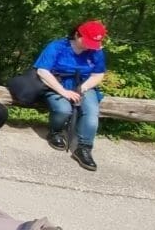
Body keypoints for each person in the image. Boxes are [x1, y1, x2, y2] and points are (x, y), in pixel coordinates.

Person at [35, 20, 108, 172]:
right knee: (63, 109)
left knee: (92, 111)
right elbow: (42, 71)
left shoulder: (96, 51)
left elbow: (98, 74)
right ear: (76, 34)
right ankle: (55, 132)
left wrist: (84, 87)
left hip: (84, 85)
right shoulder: (57, 46)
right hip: (56, 84)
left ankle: (84, 147)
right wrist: (63, 91)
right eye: (86, 41)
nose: (89, 46)